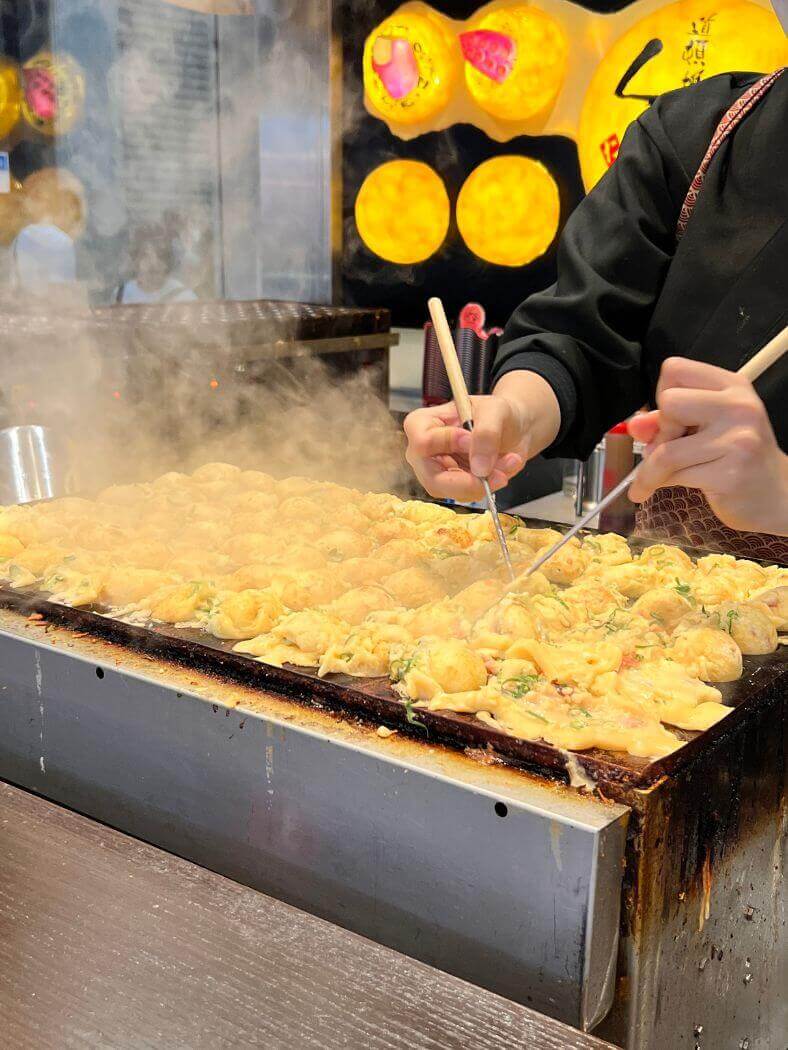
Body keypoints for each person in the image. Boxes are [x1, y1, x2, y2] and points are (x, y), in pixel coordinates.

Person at [404, 13, 788, 557]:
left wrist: (781, 493)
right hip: (681, 592)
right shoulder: (697, 135)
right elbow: (583, 331)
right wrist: (512, 416)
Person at [115, 224, 198, 304]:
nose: (153, 262)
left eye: (160, 255)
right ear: (136, 260)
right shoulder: (121, 294)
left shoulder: (184, 296)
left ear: (168, 262)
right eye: (145, 255)